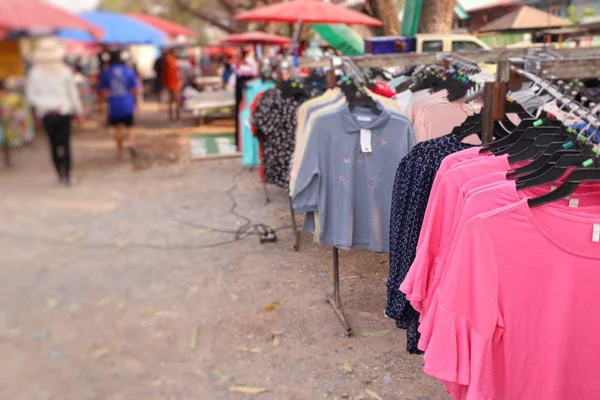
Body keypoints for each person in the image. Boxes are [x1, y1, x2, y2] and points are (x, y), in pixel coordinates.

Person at [25, 37, 84, 186]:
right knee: (65, 145)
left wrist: (45, 106)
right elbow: (73, 94)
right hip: (64, 112)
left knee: (53, 145)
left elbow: (31, 96)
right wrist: (78, 111)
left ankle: (60, 175)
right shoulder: (64, 71)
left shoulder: (35, 73)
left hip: (47, 114)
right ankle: (67, 175)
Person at [98, 49, 138, 160]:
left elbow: (102, 91)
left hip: (114, 103)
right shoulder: (128, 71)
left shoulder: (106, 72)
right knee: (130, 126)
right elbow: (134, 88)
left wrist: (101, 106)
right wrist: (136, 102)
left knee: (117, 128)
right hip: (127, 102)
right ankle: (131, 142)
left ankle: (120, 151)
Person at [162, 47, 181, 121]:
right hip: (172, 82)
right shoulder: (170, 59)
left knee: (173, 100)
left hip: (172, 82)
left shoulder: (171, 59)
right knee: (176, 99)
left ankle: (174, 116)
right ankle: (176, 116)